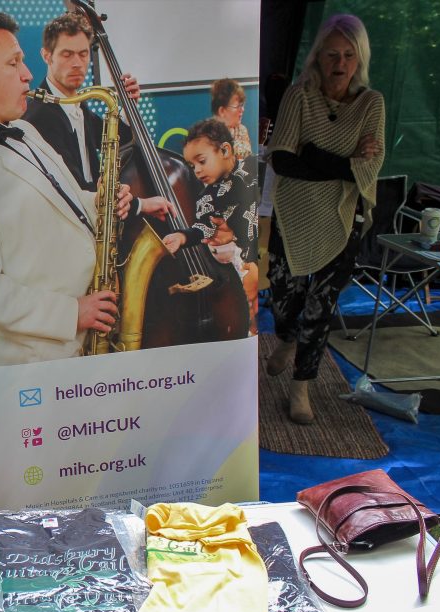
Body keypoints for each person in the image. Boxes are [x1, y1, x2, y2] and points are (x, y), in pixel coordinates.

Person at [0, 12, 137, 366]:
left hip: (82, 327)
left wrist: (101, 201)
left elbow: (63, 199)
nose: (27, 74)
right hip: (35, 355)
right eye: (14, 63)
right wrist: (72, 313)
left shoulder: (23, 131)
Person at [265, 14, 385, 424]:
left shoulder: (372, 104)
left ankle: (302, 387)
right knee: (284, 297)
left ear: (360, 58)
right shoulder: (299, 96)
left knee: (321, 306)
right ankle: (285, 338)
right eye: (332, 53)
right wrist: (343, 162)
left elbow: (368, 170)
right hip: (294, 212)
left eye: (349, 55)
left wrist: (313, 154)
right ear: (318, 56)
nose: (340, 62)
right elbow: (282, 159)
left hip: (340, 218)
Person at [23, 13, 176, 222]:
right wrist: (140, 204)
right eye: (67, 54)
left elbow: (115, 136)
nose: (77, 63)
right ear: (46, 55)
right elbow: (72, 193)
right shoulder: (38, 115)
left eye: (83, 54)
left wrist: (128, 105)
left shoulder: (78, 101)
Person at [163, 118, 259, 335]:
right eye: (192, 165)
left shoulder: (254, 168)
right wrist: (182, 237)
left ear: (225, 150)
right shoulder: (208, 197)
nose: (196, 170)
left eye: (202, 161)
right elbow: (203, 227)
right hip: (239, 266)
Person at [211, 78, 253, 160]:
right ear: (222, 111)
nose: (242, 110)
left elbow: (248, 161)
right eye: (238, 106)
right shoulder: (207, 133)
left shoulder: (242, 130)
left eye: (242, 105)